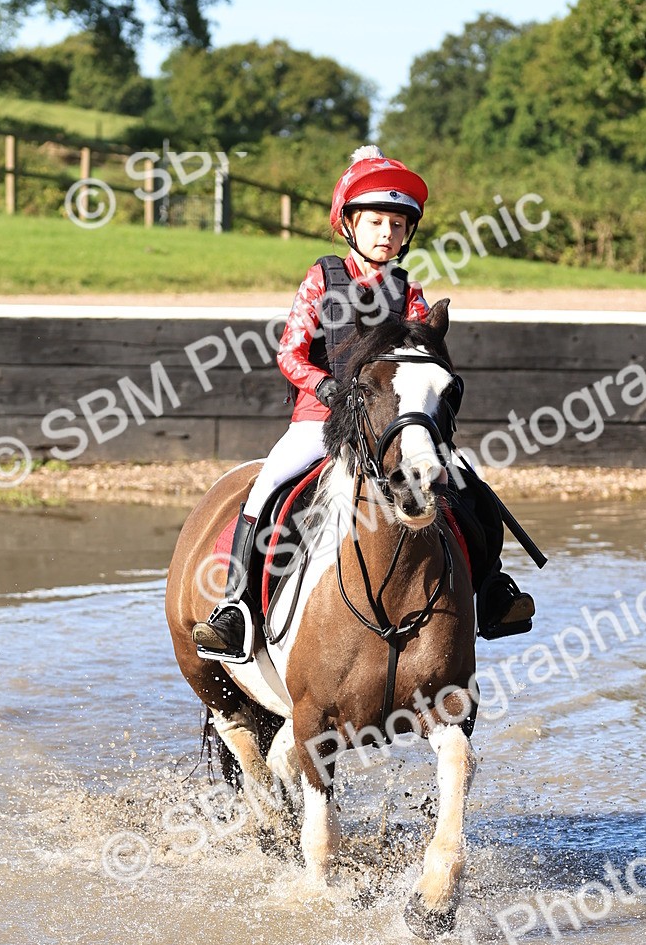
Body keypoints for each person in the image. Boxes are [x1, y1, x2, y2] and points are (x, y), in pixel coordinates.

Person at [192, 146, 534, 660]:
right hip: (321, 420)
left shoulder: (409, 293)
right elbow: (289, 352)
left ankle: (490, 591)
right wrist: (326, 388)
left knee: (469, 485)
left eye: (397, 225)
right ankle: (235, 609)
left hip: (389, 426)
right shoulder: (321, 279)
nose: (387, 234)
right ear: (350, 224)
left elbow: (422, 358)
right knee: (266, 490)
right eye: (376, 222)